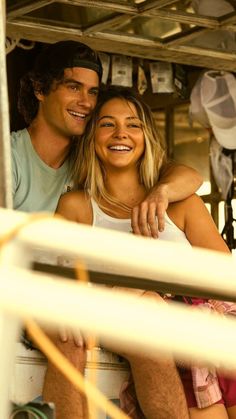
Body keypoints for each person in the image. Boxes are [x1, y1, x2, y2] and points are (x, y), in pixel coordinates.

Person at [11, 40, 202, 419]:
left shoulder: (91, 163)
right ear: (39, 89)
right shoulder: (9, 156)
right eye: (73, 87)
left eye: (93, 92)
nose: (86, 100)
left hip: (93, 297)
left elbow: (186, 174)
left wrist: (161, 192)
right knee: (68, 338)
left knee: (147, 332)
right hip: (23, 295)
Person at [56, 86, 236, 419]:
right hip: (127, 325)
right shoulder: (76, 206)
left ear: (146, 137)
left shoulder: (181, 202)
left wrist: (146, 285)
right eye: (107, 124)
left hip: (207, 331)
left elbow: (225, 276)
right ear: (92, 136)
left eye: (133, 124)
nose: (121, 133)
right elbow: (59, 276)